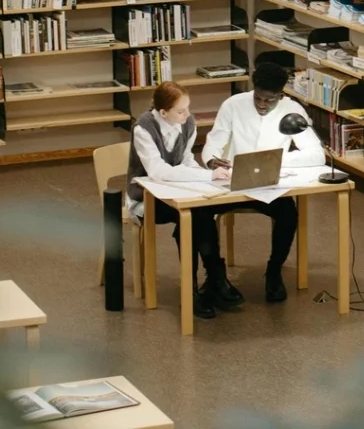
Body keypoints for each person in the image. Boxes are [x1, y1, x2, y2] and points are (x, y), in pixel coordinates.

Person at [201, 63, 326, 302]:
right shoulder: (233, 105)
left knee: (289, 215)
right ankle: (215, 274)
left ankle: (274, 271)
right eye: (257, 98)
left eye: (269, 101)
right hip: (232, 185)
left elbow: (316, 154)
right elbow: (213, 144)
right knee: (200, 214)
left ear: (281, 95)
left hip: (269, 187)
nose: (261, 105)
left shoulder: (292, 110)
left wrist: (278, 162)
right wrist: (212, 163)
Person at [127, 81, 242, 320]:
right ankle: (208, 282)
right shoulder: (143, 129)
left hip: (178, 191)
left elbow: (186, 160)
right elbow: (158, 171)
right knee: (194, 215)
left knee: (199, 212)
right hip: (146, 198)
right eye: (181, 111)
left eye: (188, 108)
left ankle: (206, 282)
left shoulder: (186, 123)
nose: (187, 115)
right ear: (163, 112)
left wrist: (206, 177)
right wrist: (206, 175)